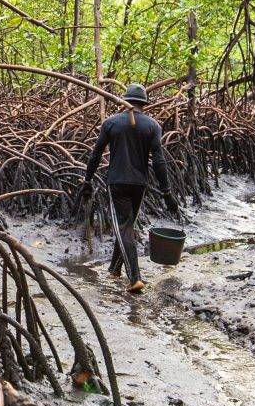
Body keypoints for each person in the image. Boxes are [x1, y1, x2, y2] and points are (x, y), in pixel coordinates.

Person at [75, 83, 180, 294]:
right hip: (139, 184)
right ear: (144, 103)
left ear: (125, 101)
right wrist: (167, 192)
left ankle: (135, 278)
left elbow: (96, 154)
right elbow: (159, 161)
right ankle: (114, 269)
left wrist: (87, 180)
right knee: (126, 226)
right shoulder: (153, 126)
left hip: (117, 183)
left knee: (124, 227)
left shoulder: (111, 123)